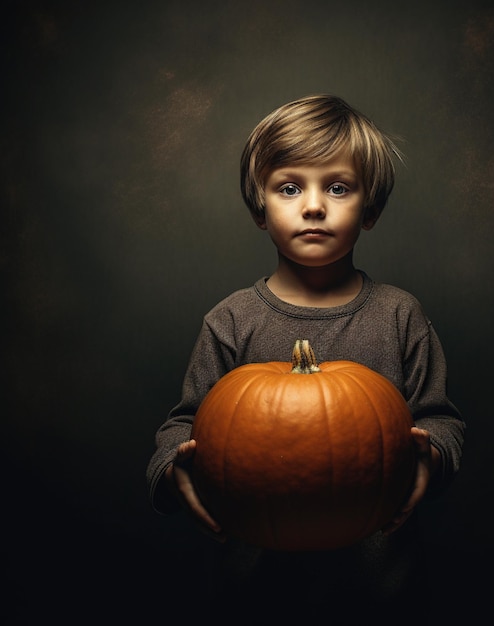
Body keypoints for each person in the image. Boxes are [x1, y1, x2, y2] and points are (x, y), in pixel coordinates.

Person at [146, 94, 465, 623]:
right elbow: (184, 423)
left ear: (371, 209)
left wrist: (431, 455)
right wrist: (173, 462)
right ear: (259, 207)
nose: (313, 206)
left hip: (378, 589)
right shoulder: (231, 321)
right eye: (289, 187)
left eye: (338, 188)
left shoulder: (399, 315)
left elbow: (440, 420)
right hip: (255, 592)